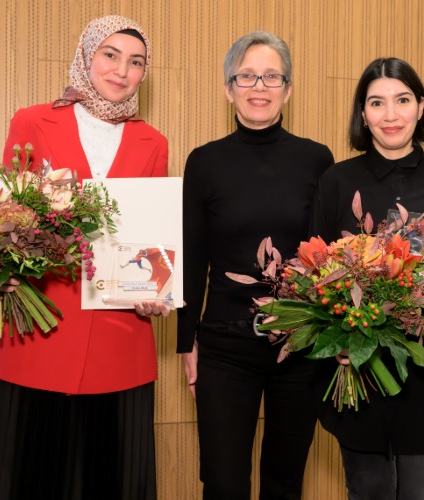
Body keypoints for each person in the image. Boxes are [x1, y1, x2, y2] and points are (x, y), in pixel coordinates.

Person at [0, 15, 169, 500]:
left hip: (119, 337)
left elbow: (152, 234)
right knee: (28, 475)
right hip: (39, 333)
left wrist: (158, 289)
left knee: (113, 477)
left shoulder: (154, 143)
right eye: (110, 55)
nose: (121, 70)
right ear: (87, 56)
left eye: (136, 62)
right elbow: (7, 216)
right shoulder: (32, 121)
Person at [309, 57, 424, 500]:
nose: (390, 115)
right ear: (362, 113)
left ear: (420, 106)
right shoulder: (337, 180)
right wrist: (335, 338)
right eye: (377, 102)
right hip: (358, 371)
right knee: (366, 490)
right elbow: (313, 272)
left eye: (402, 100)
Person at [176, 31, 334, 499]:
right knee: (223, 482)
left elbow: (325, 257)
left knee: (285, 482)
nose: (259, 86)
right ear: (229, 88)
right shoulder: (203, 162)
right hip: (225, 347)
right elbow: (192, 256)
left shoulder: (317, 159)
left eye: (271, 76)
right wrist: (186, 341)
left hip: (300, 342)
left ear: (288, 88)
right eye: (246, 76)